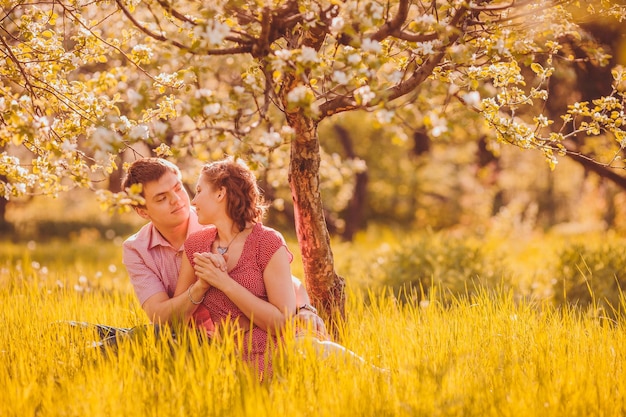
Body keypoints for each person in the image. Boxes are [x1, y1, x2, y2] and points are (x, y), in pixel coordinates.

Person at [121, 157, 326, 338]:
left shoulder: (216, 219)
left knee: (124, 340)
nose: (178, 201)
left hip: (224, 338)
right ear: (143, 212)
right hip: (181, 333)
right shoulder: (137, 249)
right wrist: (203, 283)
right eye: (162, 198)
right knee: (97, 335)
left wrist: (304, 308)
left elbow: (276, 273)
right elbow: (161, 319)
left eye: (177, 188)